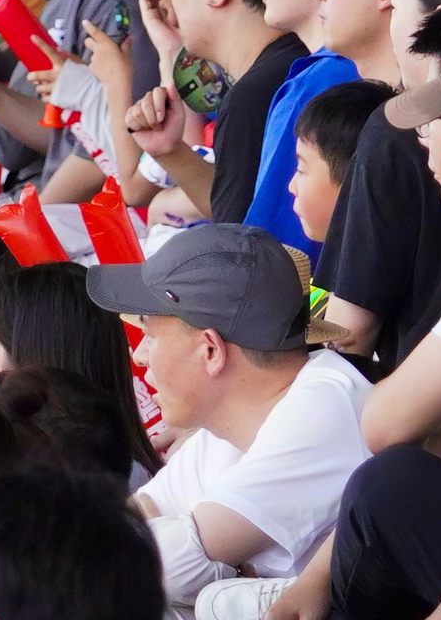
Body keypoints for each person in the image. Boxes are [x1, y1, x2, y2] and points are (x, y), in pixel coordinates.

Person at [85, 219, 375, 608]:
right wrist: (225, 562)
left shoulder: (325, 409)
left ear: (210, 350)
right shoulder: (230, 416)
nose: (138, 355)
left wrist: (191, 551)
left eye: (150, 336)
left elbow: (161, 569)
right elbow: (137, 515)